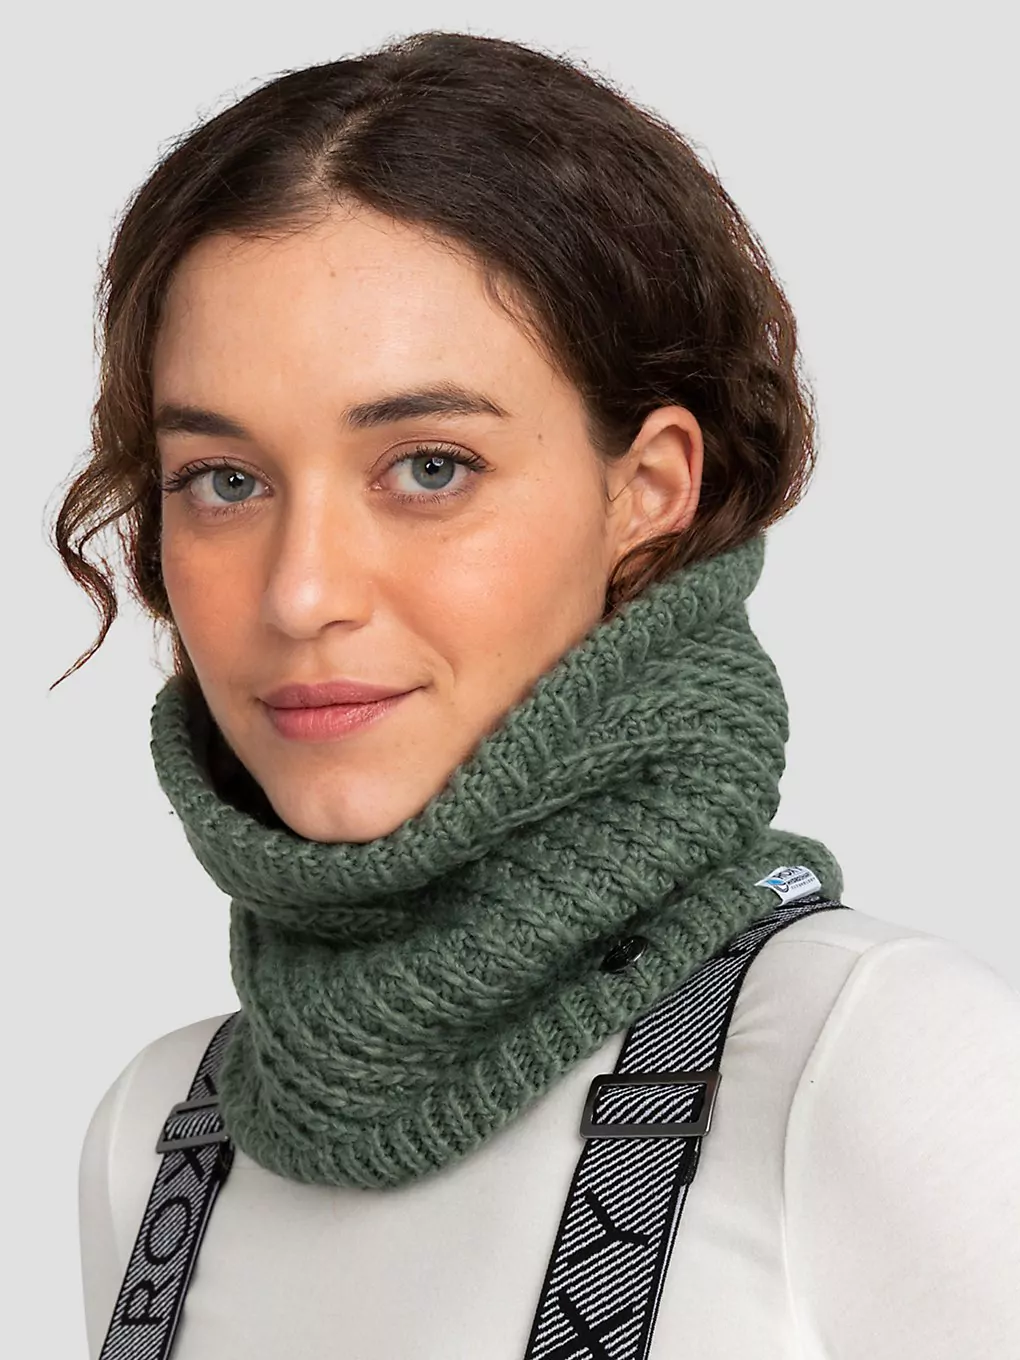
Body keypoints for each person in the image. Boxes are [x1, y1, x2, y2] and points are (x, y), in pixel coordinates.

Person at [56, 30, 1020, 1360]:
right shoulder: (162, 1140)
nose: (301, 593)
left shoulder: (876, 1068)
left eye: (430, 467)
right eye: (225, 481)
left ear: (649, 491)